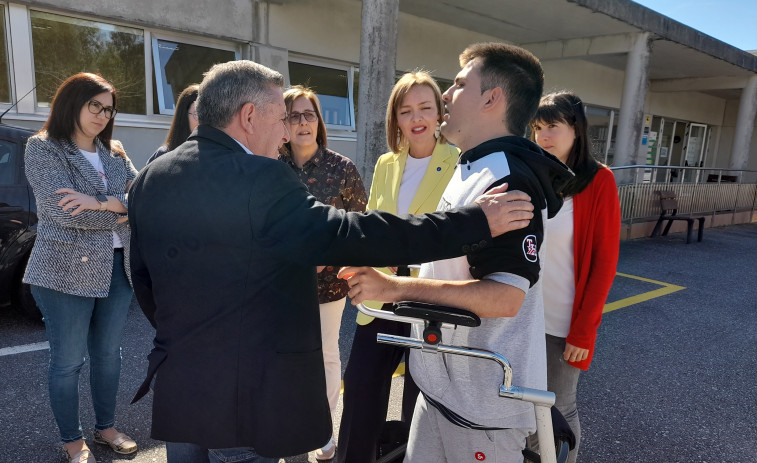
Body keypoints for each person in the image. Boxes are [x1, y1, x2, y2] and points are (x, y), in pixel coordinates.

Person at [127, 59, 536, 463]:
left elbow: (143, 278)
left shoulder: (153, 176)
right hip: (244, 396)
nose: (286, 133)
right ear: (249, 116)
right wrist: (476, 220)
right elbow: (351, 234)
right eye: (280, 118)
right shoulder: (259, 178)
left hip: (181, 390)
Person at [338, 42, 573, 463]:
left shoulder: (508, 179)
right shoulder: (473, 167)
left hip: (483, 406)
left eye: (460, 84)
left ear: (491, 98)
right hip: (444, 389)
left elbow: (504, 297)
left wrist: (395, 287)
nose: (446, 95)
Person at [337, 71, 457, 463]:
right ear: (396, 119)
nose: (416, 117)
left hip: (429, 296)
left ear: (440, 112)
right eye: (406, 110)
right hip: (380, 291)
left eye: (425, 107)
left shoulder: (458, 160)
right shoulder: (387, 163)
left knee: (419, 400)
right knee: (360, 390)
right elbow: (373, 222)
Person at [23, 73, 139, 463]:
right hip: (62, 270)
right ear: (73, 102)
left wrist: (101, 203)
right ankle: (72, 440)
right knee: (68, 360)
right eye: (96, 106)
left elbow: (144, 199)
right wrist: (121, 211)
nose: (103, 115)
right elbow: (62, 212)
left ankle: (105, 427)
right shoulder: (44, 148)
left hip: (117, 267)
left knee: (109, 354)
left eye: (109, 109)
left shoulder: (115, 152)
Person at [529, 91, 621, 463]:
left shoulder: (599, 181)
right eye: (537, 128)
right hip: (524, 315)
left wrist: (584, 330)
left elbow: (604, 262)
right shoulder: (535, 174)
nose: (543, 136)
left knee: (559, 407)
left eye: (552, 126)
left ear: (577, 130)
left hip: (565, 321)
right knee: (526, 403)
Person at [278, 85, 368, 461]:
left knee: (326, 355)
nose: (303, 122)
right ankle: (285, 423)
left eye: (309, 114)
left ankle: (324, 430)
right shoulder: (271, 165)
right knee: (283, 356)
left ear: (319, 121)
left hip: (328, 284)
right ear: (283, 123)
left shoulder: (341, 168)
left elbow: (358, 223)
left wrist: (326, 258)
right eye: (294, 115)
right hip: (279, 284)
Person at [147, 84, 200, 163]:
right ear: (183, 116)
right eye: (198, 114)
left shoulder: (216, 155)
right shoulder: (163, 155)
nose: (204, 121)